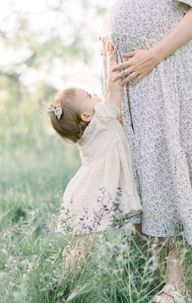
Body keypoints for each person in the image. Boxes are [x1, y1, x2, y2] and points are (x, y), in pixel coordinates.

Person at [100, 0, 192, 302]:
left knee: (167, 171)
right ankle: (151, 274)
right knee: (139, 171)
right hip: (132, 82)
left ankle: (176, 285)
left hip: (165, 76)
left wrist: (154, 55)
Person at [47, 41, 142, 271]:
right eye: (90, 95)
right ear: (87, 115)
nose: (96, 94)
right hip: (96, 194)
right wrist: (110, 59)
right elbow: (114, 88)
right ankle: (63, 282)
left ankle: (63, 280)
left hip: (86, 192)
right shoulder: (102, 118)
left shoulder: (87, 135)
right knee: (83, 245)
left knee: (81, 245)